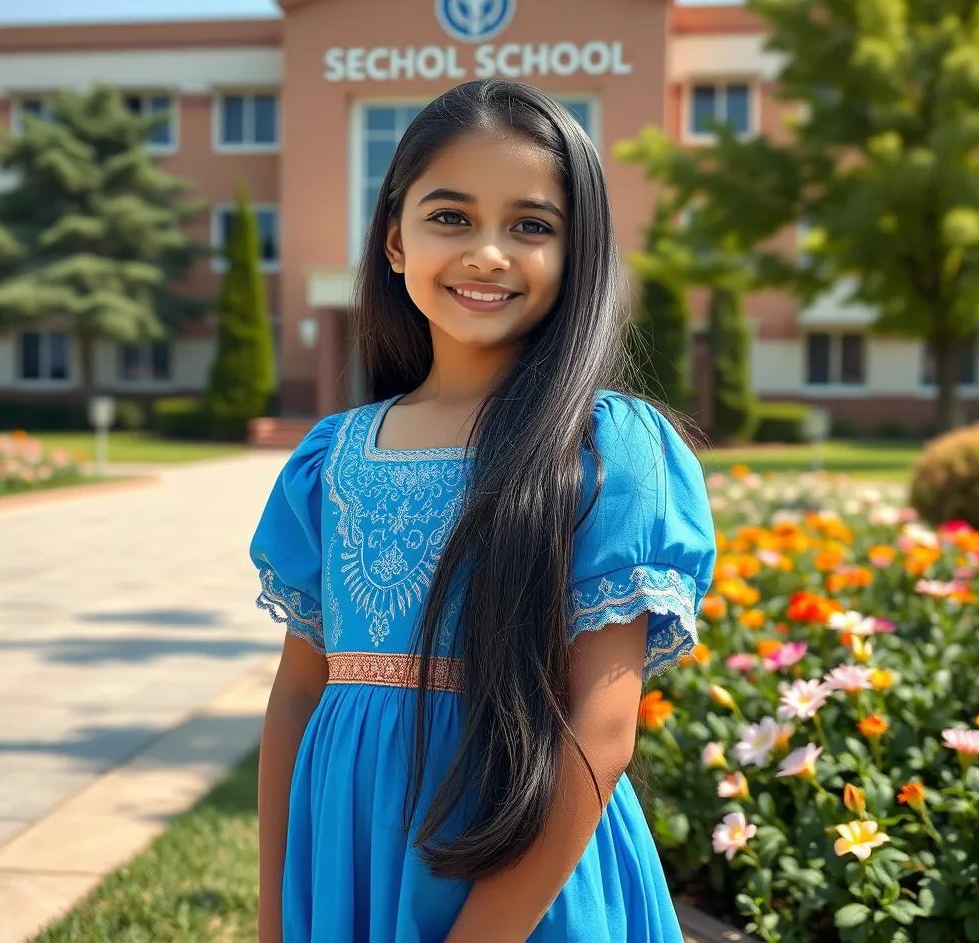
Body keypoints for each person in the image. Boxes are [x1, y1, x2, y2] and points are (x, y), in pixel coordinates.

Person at [250, 77, 717, 943]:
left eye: (531, 226)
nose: (488, 254)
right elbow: (298, 693)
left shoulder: (606, 449)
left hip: (531, 884)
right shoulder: (330, 458)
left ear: (578, 254)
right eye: (451, 217)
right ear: (395, 240)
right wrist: (276, 917)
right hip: (352, 855)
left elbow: (602, 729)